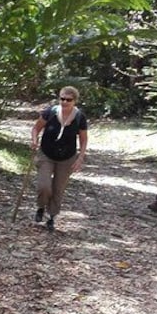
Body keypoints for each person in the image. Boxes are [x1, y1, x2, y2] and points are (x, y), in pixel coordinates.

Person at [30, 86, 88, 231]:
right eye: (62, 98)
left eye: (68, 100)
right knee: (44, 186)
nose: (64, 102)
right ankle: (40, 207)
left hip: (67, 157)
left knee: (58, 189)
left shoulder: (79, 117)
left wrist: (80, 158)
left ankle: (51, 217)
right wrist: (34, 140)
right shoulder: (50, 112)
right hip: (46, 154)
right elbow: (36, 128)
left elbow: (83, 139)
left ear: (75, 101)